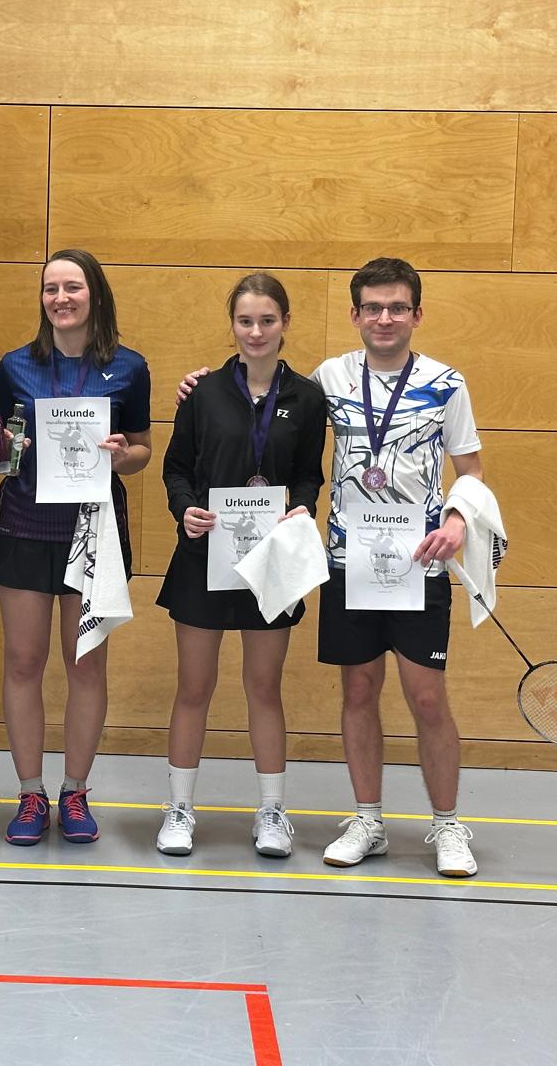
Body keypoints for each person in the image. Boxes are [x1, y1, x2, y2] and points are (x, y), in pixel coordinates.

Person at [312, 258, 483, 877]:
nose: (385, 318)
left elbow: (472, 472)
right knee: (358, 690)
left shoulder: (446, 383)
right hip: (347, 562)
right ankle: (368, 819)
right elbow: (265, 407)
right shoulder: (328, 377)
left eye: (397, 307)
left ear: (416, 314)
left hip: (419, 565)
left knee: (426, 697)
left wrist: (458, 522)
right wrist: (202, 382)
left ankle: (446, 825)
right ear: (355, 314)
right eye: (373, 308)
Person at [155, 273, 326, 858]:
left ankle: (273, 813)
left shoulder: (306, 396)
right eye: (245, 321)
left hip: (270, 560)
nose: (256, 331)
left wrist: (301, 506)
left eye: (267, 320)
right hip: (205, 558)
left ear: (285, 324)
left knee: (263, 688)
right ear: (232, 325)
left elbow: (308, 472)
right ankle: (179, 810)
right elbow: (175, 468)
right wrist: (186, 511)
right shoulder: (201, 393)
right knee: (194, 687)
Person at [0, 249, 152, 845]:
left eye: (72, 287)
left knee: (86, 664)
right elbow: (4, 455)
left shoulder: (129, 367)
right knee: (24, 663)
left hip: (95, 535)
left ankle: (75, 790)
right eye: (51, 288)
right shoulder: (15, 366)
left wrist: (118, 454)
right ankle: (31, 793)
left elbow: (141, 451)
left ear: (95, 295)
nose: (60, 298)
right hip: (25, 529)